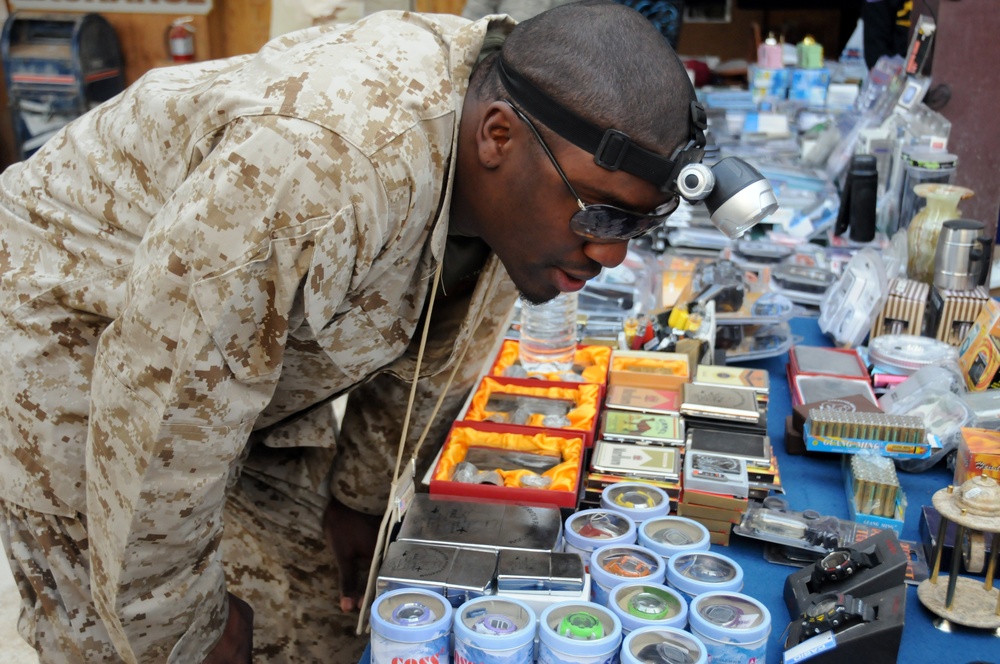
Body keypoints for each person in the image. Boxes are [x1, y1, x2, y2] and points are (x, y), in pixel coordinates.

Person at [0, 1, 697, 661]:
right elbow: (163, 405)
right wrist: (182, 628)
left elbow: (438, 341)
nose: (613, 254)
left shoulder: (516, 144)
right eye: (601, 216)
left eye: (636, 224)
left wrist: (360, 497)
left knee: (316, 621)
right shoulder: (321, 162)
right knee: (122, 636)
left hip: (230, 347)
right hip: (71, 331)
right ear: (497, 137)